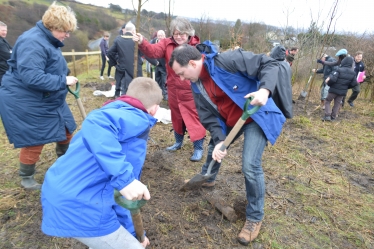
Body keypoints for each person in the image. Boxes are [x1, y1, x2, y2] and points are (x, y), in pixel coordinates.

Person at [169, 43, 286, 245]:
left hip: (255, 115)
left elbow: (268, 63)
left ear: (192, 63)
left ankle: (254, 218)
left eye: (181, 73)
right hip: (232, 121)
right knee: (215, 148)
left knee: (250, 166)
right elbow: (207, 116)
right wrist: (220, 139)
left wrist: (265, 91)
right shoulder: (196, 84)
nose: (181, 79)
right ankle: (208, 177)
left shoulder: (228, 61)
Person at [41, 77, 161, 249]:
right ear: (154, 109)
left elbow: (121, 197)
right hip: (80, 204)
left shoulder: (116, 111)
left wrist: (132, 233)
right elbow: (125, 196)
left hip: (60, 189)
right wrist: (125, 179)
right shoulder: (137, 120)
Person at [0, 2, 78, 190]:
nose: (67, 35)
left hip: (48, 96)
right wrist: (62, 81)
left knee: (66, 129)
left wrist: (64, 74)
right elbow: (32, 77)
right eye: (65, 31)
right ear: (53, 27)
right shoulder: (32, 42)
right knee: (35, 138)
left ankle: (64, 164)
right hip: (25, 99)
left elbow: (50, 64)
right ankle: (27, 177)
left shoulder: (49, 39)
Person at [132, 17, 206, 162]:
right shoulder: (166, 43)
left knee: (193, 117)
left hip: (191, 89)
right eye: (176, 33)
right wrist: (142, 42)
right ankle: (178, 142)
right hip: (173, 88)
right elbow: (153, 52)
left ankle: (198, 147)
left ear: (189, 33)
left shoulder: (196, 46)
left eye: (182, 33)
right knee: (176, 117)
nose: (178, 36)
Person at [107, 22, 154, 97]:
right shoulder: (137, 40)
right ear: (133, 31)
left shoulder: (118, 40)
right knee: (137, 91)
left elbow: (109, 53)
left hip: (123, 70)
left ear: (125, 30)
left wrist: (115, 64)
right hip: (136, 70)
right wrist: (155, 62)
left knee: (125, 92)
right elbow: (146, 53)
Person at [323, 56, 357, 121]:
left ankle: (327, 115)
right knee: (337, 103)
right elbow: (354, 83)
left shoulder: (339, 70)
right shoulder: (353, 73)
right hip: (342, 92)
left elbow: (333, 79)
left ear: (343, 62)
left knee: (327, 101)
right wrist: (346, 87)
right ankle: (333, 117)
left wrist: (328, 83)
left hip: (333, 90)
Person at [269, 45, 293, 118]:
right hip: (285, 90)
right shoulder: (286, 64)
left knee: (273, 113)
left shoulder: (273, 64)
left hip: (275, 92)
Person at [151, 30, 168, 100]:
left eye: (161, 36)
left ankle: (166, 95)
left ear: (164, 36)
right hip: (156, 64)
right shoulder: (154, 41)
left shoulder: (167, 42)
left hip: (164, 65)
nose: (160, 37)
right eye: (158, 36)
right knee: (157, 80)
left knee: (164, 81)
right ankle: (159, 94)